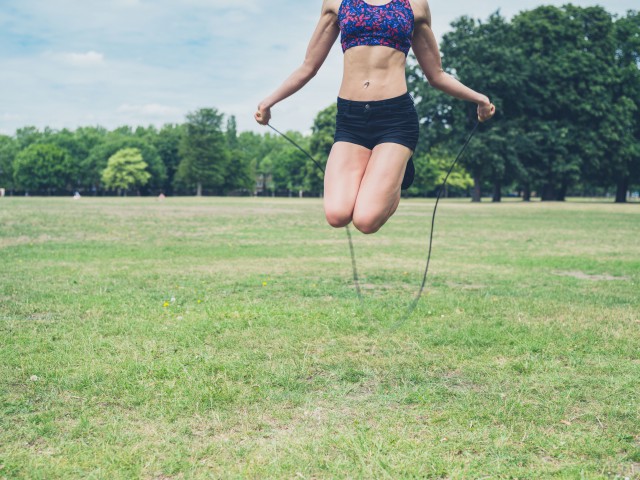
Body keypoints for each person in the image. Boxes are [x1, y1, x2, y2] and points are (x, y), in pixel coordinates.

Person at [255, 0, 495, 234]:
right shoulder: (336, 3)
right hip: (350, 119)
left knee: (366, 221)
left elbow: (436, 74)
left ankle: (397, 169)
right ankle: (389, 170)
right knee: (336, 215)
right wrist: (268, 102)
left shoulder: (415, 5)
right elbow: (308, 66)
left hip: (396, 119)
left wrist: (480, 99)